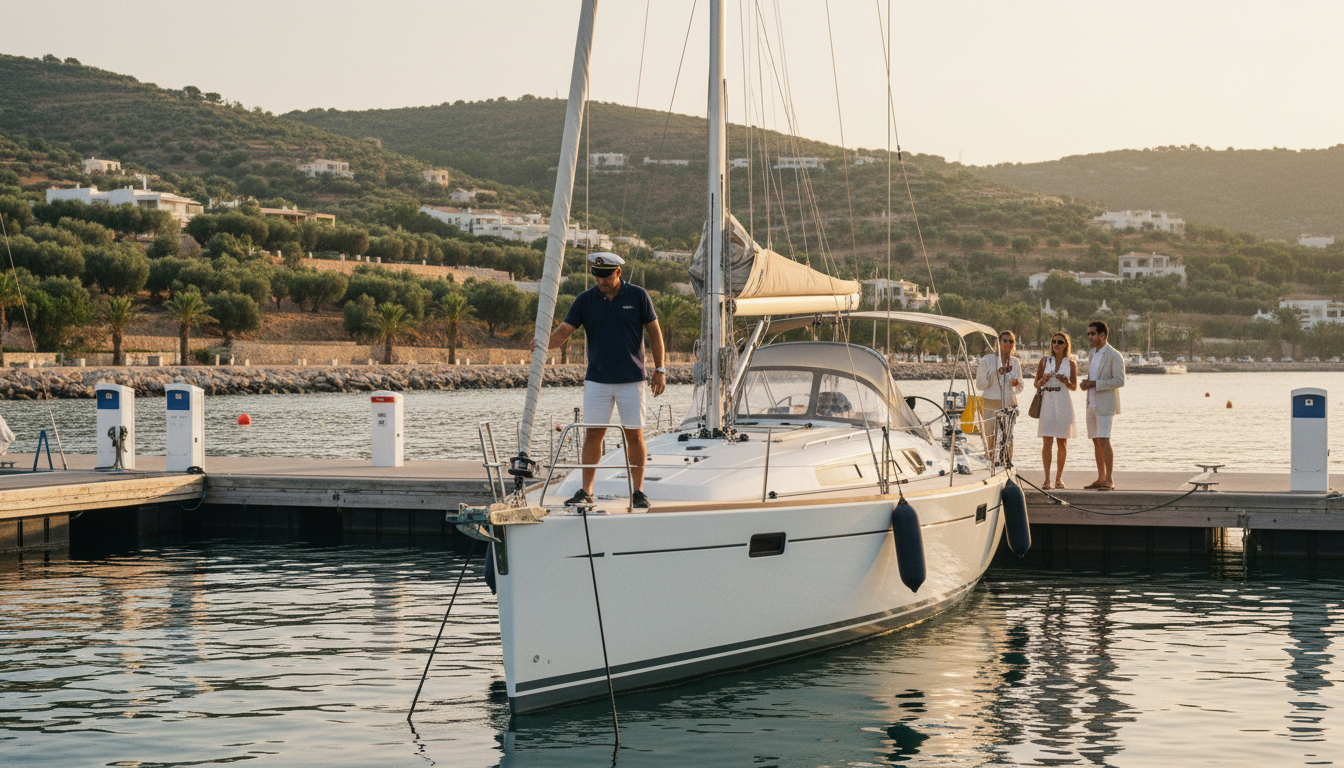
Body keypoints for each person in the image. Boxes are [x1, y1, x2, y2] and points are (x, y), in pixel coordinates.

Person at [533, 252, 666, 509]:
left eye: (605, 276)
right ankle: (587, 491)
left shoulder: (638, 296)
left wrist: (660, 369)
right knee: (593, 434)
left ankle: (637, 491)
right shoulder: (585, 300)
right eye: (597, 276)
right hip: (597, 379)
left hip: (632, 378)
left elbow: (655, 333)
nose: (601, 281)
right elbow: (564, 331)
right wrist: (540, 343)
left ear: (618, 273)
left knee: (635, 436)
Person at [1079, 320, 1125, 490]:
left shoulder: (1115, 355)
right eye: (1088, 334)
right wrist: (1086, 384)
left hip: (1105, 405)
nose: (1089, 337)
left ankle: (1110, 480)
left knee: (1105, 440)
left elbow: (1119, 381)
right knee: (1096, 441)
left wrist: (1095, 384)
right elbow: (1093, 378)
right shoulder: (1092, 353)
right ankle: (1100, 478)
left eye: (1093, 334)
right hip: (1091, 403)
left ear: (1102, 335)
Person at [1033, 331, 1077, 489]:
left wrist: (1066, 381)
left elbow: (1074, 387)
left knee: (1062, 442)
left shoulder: (1071, 363)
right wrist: (1043, 380)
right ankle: (1046, 479)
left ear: (1066, 345)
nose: (1056, 345)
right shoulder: (1045, 361)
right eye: (1054, 342)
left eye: (1060, 342)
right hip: (1048, 401)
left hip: (1064, 401)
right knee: (1047, 441)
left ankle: (1058, 478)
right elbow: (1036, 384)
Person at [975, 330, 1024, 457]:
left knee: (1008, 438)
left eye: (1011, 341)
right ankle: (991, 462)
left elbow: (1020, 387)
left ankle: (1007, 464)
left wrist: (1015, 383)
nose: (1008, 343)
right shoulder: (987, 360)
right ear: (999, 342)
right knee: (990, 437)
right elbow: (980, 385)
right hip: (990, 402)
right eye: (1005, 340)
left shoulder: (1015, 362)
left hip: (1009, 403)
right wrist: (996, 373)